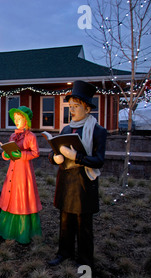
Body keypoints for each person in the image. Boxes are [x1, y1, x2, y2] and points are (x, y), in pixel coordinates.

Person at [47, 80, 107, 268]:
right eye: (70, 106)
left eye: (76, 106)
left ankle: (85, 260)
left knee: (84, 225)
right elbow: (55, 149)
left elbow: (99, 160)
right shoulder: (66, 129)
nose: (71, 110)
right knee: (65, 220)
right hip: (66, 182)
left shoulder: (97, 131)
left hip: (83, 184)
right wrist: (54, 157)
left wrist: (77, 157)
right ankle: (64, 252)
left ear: (87, 108)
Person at [0, 106, 43, 244]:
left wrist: (21, 154)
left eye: (19, 119)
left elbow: (35, 153)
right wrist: (6, 153)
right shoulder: (13, 136)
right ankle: (6, 229)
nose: (16, 121)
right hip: (13, 170)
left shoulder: (31, 136)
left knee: (22, 197)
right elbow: (9, 154)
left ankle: (23, 232)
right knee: (10, 196)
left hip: (24, 171)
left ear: (26, 120)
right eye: (15, 119)